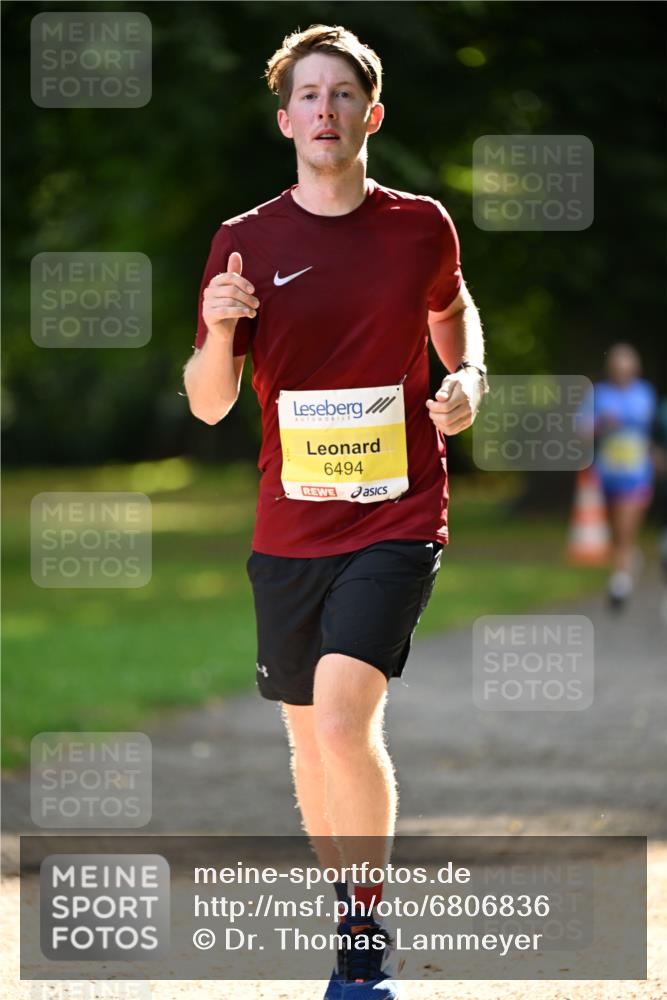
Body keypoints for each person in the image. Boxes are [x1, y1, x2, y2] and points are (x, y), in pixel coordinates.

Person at [183, 24, 486, 999]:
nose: (325, 108)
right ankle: (348, 902)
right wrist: (223, 327)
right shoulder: (244, 240)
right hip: (289, 524)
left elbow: (453, 310)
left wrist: (467, 375)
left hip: (397, 511)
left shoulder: (419, 225)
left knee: (348, 714)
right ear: (286, 120)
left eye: (343, 93)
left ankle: (363, 939)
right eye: (308, 95)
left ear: (371, 114)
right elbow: (208, 400)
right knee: (310, 735)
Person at [587, 344, 657, 609]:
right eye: (617, 366)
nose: (621, 370)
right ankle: (629, 560)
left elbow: (645, 428)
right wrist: (602, 423)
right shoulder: (599, 394)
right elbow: (582, 428)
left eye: (626, 365)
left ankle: (620, 582)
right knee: (616, 531)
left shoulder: (644, 393)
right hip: (606, 474)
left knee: (627, 528)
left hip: (637, 473)